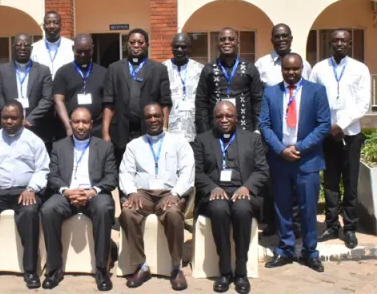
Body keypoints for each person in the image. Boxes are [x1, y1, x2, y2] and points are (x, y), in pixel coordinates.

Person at [259, 53, 331, 273]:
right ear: (281, 69)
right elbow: (264, 125)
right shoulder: (271, 93)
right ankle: (285, 250)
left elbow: (323, 125)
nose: (291, 73)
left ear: (302, 69)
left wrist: (298, 148)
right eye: (287, 69)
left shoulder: (316, 91)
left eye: (295, 69)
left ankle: (310, 252)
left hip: (306, 159)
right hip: (280, 160)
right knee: (282, 208)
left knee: (308, 209)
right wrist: (281, 150)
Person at [0, 101, 50, 289]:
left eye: (14, 118)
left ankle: (30, 270)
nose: (9, 121)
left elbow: (43, 169)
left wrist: (32, 188)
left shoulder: (34, 141)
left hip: (25, 190)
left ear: (22, 119)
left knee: (29, 213)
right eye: (5, 118)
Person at [194, 101, 269, 294]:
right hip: (215, 192)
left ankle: (241, 272)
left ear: (236, 117)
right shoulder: (203, 140)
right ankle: (225, 271)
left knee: (242, 210)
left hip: (243, 191)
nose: (224, 120)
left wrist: (246, 187)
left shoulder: (252, 139)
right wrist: (212, 187)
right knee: (219, 209)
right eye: (219, 116)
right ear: (214, 118)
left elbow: (262, 170)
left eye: (228, 116)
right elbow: (197, 172)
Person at [119, 103, 194, 290]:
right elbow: (126, 173)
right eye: (149, 117)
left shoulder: (179, 142)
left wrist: (176, 193)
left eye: (157, 116)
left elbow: (187, 172)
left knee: (174, 214)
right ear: (144, 120)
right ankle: (141, 266)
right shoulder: (134, 145)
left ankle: (176, 267)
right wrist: (131, 192)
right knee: (128, 213)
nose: (153, 120)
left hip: (169, 193)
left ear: (163, 117)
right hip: (142, 194)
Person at [40, 107, 116, 291]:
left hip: (94, 195)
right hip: (67, 194)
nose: (80, 126)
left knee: (104, 208)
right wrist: (66, 191)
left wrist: (91, 192)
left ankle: (101, 269)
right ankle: (55, 269)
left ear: (91, 124)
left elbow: (111, 177)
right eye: (76, 122)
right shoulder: (59, 146)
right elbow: (53, 176)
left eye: (84, 122)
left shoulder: (104, 146)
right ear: (71, 123)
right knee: (48, 209)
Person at [310, 29, 371, 249]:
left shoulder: (359, 69)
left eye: (343, 40)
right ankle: (331, 225)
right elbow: (313, 98)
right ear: (330, 43)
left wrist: (341, 125)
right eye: (335, 40)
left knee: (350, 184)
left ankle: (350, 228)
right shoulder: (319, 69)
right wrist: (327, 126)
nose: (339, 43)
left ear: (350, 43)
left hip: (350, 134)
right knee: (330, 183)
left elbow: (364, 103)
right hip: (327, 135)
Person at [254, 24, 311, 237]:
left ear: (291, 38)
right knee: (271, 179)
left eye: (284, 35)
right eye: (277, 36)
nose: (281, 39)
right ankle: (271, 222)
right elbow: (257, 97)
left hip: (297, 131)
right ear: (271, 39)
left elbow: (310, 96)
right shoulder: (262, 64)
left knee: (296, 181)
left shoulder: (304, 64)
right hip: (272, 131)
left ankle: (295, 224)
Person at [102, 28, 172, 165]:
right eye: (132, 42)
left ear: (147, 44)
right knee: (123, 169)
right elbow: (108, 103)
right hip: (121, 131)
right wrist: (105, 132)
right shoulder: (114, 68)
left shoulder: (159, 70)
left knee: (147, 166)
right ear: (127, 44)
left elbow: (165, 103)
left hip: (148, 129)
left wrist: (164, 129)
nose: (136, 45)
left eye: (140, 42)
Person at [195, 27, 263, 135]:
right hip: (216, 129)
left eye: (231, 39)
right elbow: (201, 102)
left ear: (237, 43)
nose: (227, 42)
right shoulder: (209, 69)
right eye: (222, 39)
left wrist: (257, 128)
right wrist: (204, 132)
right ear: (217, 44)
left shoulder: (250, 68)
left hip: (245, 128)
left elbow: (258, 100)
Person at [0, 33, 54, 149]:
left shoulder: (43, 70)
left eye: (26, 45)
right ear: (13, 47)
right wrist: (13, 117)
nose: (22, 48)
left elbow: (47, 99)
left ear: (31, 48)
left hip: (36, 127)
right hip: (8, 128)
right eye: (18, 45)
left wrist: (29, 119)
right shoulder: (1, 70)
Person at [53, 34, 107, 138]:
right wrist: (68, 127)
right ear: (73, 49)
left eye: (86, 51)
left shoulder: (103, 72)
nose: (82, 54)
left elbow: (108, 104)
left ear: (92, 49)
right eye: (79, 51)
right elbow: (58, 101)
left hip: (96, 129)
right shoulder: (62, 72)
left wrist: (104, 130)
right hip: (71, 129)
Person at [163, 33, 204, 143]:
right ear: (171, 47)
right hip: (169, 131)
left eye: (183, 46)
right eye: (176, 46)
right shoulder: (162, 69)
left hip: (194, 130)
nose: (179, 49)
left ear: (189, 48)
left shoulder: (200, 69)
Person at [31, 11, 74, 78]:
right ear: (43, 26)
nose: (52, 26)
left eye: (55, 22)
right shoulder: (34, 48)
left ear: (60, 25)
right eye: (48, 23)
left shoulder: (71, 46)